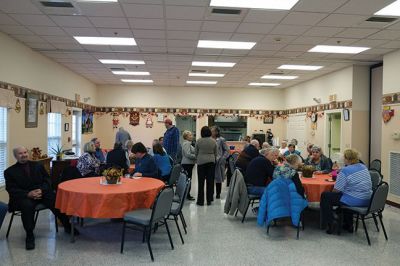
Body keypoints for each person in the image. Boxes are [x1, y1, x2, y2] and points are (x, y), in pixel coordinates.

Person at [4, 146, 77, 250]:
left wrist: (42, 190)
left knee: (56, 200)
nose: (24, 155)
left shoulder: (38, 165)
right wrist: (28, 194)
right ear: (15, 156)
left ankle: (67, 225)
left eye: (25, 152)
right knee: (27, 206)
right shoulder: (9, 172)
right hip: (24, 196)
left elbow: (47, 180)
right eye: (20, 153)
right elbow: (11, 189)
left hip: (41, 192)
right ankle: (29, 235)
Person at [320, 149, 372, 234]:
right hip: (368, 199)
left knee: (325, 196)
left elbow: (336, 190)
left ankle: (331, 222)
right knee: (346, 193)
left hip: (355, 200)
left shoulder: (345, 171)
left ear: (347, 159)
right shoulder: (363, 167)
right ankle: (348, 224)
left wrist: (340, 175)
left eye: (344, 158)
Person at [195, 126, 217, 206]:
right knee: (210, 182)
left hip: (201, 162)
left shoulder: (198, 141)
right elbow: (216, 152)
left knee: (201, 182)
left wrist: (198, 158)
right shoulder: (213, 141)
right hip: (211, 161)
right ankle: (209, 200)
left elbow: (196, 152)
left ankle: (200, 201)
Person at [211, 126, 230, 199]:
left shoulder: (221, 140)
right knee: (211, 178)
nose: (211, 132)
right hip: (211, 161)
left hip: (219, 162)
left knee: (218, 178)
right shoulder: (209, 139)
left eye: (212, 131)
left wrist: (223, 158)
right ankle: (211, 193)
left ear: (216, 132)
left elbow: (227, 150)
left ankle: (218, 193)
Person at [181, 130, 196, 201]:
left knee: (188, 179)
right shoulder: (187, 143)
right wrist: (196, 156)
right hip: (187, 164)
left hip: (189, 164)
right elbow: (187, 154)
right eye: (190, 135)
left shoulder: (188, 143)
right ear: (186, 136)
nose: (192, 136)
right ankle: (187, 195)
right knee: (188, 179)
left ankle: (186, 194)